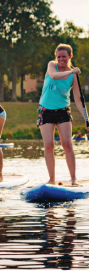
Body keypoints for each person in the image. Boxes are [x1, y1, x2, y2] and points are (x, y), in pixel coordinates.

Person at [38, 44, 85, 186]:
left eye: (64, 56)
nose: (61, 59)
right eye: (59, 57)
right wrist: (71, 72)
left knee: (67, 144)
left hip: (63, 111)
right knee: (49, 145)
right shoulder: (52, 65)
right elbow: (53, 76)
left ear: (70, 57)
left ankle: (73, 180)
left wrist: (86, 119)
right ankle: (51, 179)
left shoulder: (73, 76)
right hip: (45, 110)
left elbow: (78, 99)